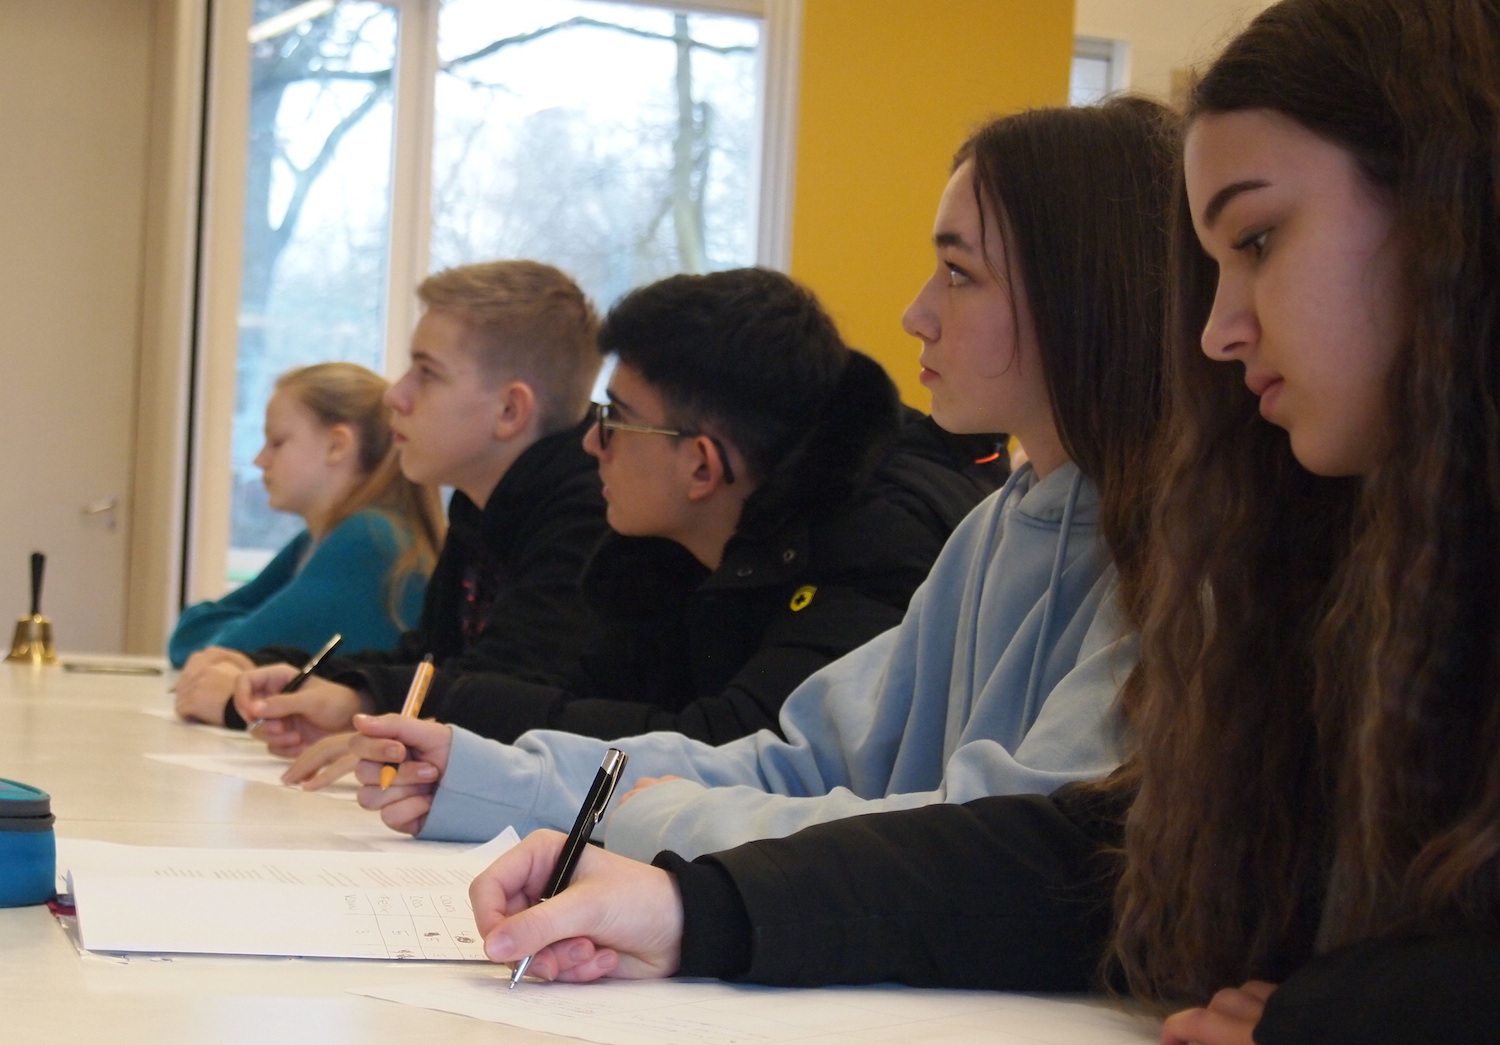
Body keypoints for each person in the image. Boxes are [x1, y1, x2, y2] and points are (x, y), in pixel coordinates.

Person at [449, 3, 1500, 1043]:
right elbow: (1065, 835)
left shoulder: (1185, 547)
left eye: (1259, 239)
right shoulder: (1022, 528)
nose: (1219, 329)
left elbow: (1055, 850)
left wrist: (1352, 1011)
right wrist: (648, 870)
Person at [348, 96, 1170, 857]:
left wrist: (653, 817)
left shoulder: (1161, 551)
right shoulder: (994, 529)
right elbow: (797, 760)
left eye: (958, 273)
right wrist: (496, 776)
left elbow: (1000, 840)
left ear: (1080, 295)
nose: (916, 314)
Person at [266, 266, 1001, 781]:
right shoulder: (664, 545)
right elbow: (602, 703)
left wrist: (427, 716)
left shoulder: (880, 544)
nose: (591, 442)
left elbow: (727, 749)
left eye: (616, 419)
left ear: (702, 467)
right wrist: (392, 705)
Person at [173, 260, 609, 735]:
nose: (395, 396)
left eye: (427, 373)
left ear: (509, 409)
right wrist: (273, 669)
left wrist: (325, 701)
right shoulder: (483, 506)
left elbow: (506, 693)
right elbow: (428, 661)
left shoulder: (588, 516)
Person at [170, 363, 442, 692]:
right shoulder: (321, 538)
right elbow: (195, 637)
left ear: (337, 445)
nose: (259, 460)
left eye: (277, 442)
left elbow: (219, 651)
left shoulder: (367, 539)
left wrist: (222, 630)